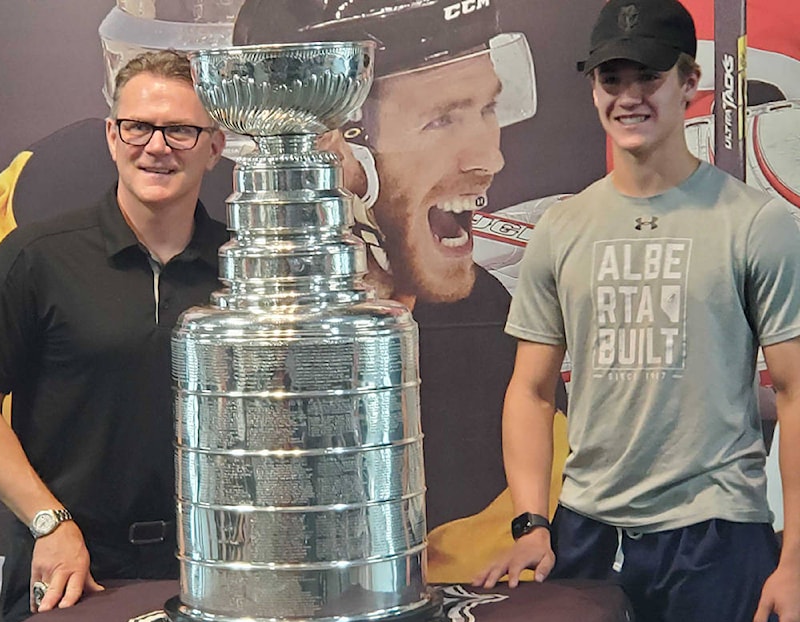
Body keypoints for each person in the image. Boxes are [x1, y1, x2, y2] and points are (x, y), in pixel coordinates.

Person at [476, 0, 800, 622]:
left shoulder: (755, 224)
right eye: (611, 79)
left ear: (689, 83)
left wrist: (795, 562)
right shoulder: (561, 229)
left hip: (716, 538)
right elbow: (531, 390)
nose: (628, 97)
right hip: (587, 536)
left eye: (647, 77)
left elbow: (794, 394)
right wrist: (531, 523)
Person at [232, 0, 571, 583]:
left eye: (487, 108)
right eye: (441, 119)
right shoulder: (234, 312)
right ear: (330, 151)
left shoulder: (495, 326)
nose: (490, 157)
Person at [0, 49, 227, 622]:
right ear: (111, 135)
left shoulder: (247, 264)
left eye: (180, 130)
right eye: (138, 126)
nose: (156, 146)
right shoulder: (36, 257)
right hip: (75, 570)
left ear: (214, 146)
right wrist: (50, 522)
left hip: (221, 566)